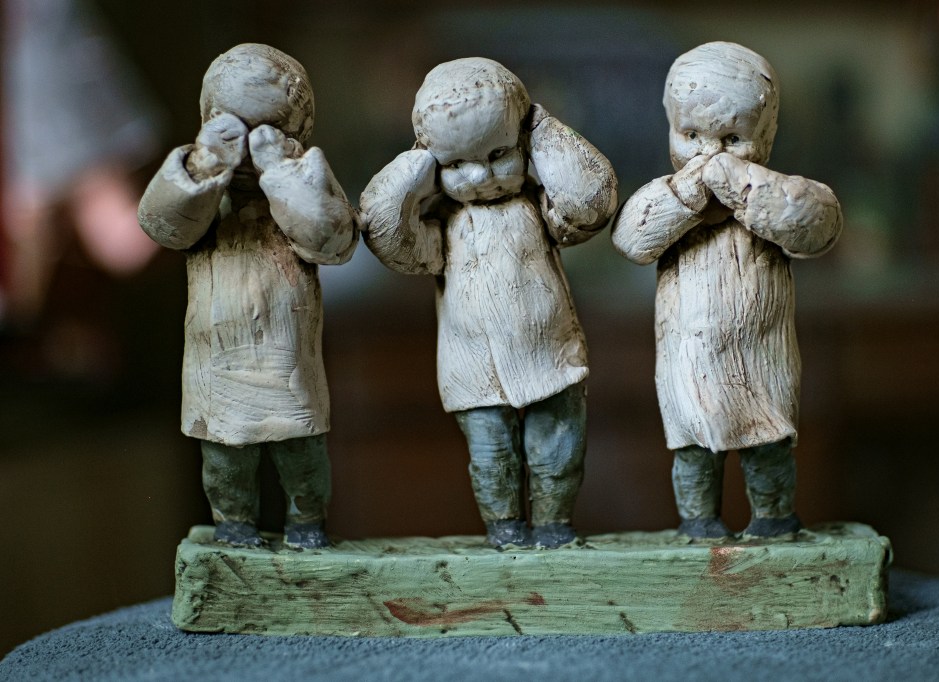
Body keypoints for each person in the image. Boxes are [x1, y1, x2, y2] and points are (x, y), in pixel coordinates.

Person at [361, 57, 617, 548]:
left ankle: (554, 526)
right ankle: (504, 530)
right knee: (492, 457)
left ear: (522, 142)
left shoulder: (535, 210)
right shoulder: (445, 228)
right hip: (473, 365)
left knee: (558, 452)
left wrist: (544, 131)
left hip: (550, 354)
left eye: (499, 153)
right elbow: (389, 238)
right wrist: (412, 168)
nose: (480, 175)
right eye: (457, 164)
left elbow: (590, 204)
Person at [612, 42, 843, 539]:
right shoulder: (669, 198)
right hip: (689, 360)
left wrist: (749, 190)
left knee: (769, 444)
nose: (708, 154)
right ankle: (699, 526)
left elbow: (820, 225)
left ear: (768, 132)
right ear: (669, 126)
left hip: (763, 356)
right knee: (694, 450)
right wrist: (689, 192)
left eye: (732, 138)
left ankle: (774, 521)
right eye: (690, 135)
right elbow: (632, 237)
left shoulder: (776, 195)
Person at [137, 44, 360, 549]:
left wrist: (281, 175)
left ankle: (308, 527)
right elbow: (161, 225)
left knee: (302, 455)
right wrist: (204, 165)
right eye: (230, 122)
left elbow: (335, 240)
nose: (246, 141)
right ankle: (234, 530)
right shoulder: (199, 183)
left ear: (297, 129)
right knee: (225, 460)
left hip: (286, 354)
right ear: (207, 118)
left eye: (267, 127)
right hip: (216, 356)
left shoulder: (305, 176)